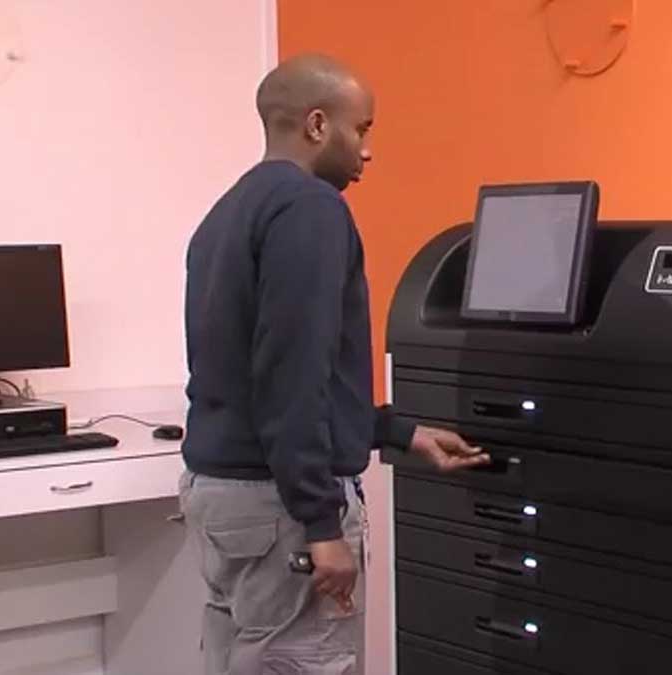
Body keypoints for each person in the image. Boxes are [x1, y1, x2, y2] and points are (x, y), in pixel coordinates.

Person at [178, 53, 490, 674]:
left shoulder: (228, 211)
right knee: (307, 660)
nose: (367, 151)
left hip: (220, 498)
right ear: (318, 125)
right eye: (363, 129)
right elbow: (291, 377)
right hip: (281, 509)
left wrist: (399, 431)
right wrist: (321, 524)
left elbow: (257, 373)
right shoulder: (312, 209)